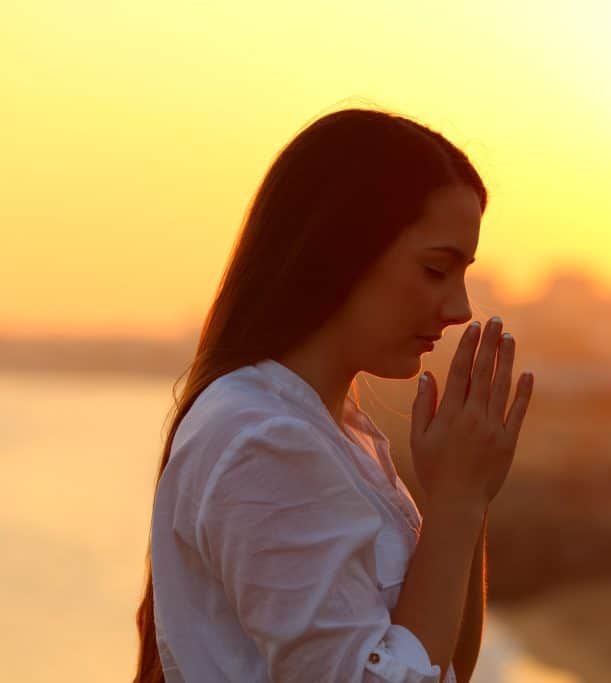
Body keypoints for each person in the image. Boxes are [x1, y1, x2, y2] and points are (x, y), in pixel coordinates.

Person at [133, 107, 535, 682]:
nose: (459, 308)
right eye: (434, 269)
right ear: (341, 251)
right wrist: (455, 500)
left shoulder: (339, 433)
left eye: (462, 273)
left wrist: (465, 500)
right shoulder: (262, 439)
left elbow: (443, 667)